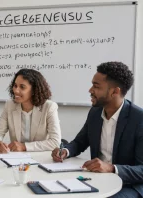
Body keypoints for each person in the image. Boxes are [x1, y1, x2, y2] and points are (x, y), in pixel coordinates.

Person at [51, 62, 143, 198]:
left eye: (96, 86)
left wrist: (112, 168)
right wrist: (66, 151)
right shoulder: (95, 112)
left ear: (114, 91)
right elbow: (80, 142)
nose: (90, 90)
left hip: (129, 186)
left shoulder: (139, 119)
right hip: (98, 179)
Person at [0, 69, 61, 153]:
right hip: (15, 159)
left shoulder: (49, 107)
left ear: (34, 90)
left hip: (40, 158)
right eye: (15, 86)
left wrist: (24, 146)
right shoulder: (10, 105)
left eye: (22, 87)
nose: (16, 90)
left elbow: (55, 142)